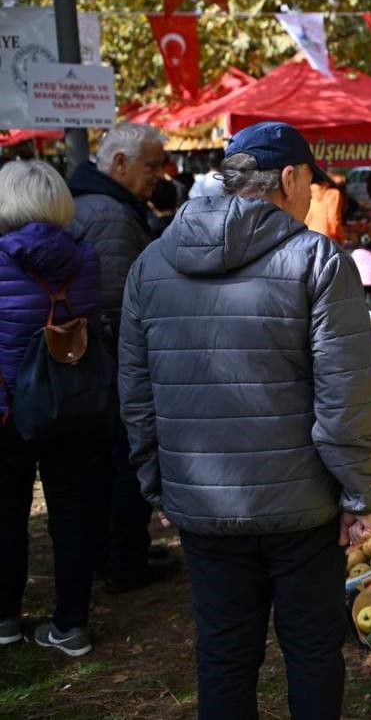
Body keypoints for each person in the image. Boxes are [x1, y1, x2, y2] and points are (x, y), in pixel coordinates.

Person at [117, 121, 371, 720]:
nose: (312, 197)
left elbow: (135, 397)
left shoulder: (151, 264)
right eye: (310, 184)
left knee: (223, 654)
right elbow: (345, 397)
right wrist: (362, 494)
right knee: (313, 650)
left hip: (206, 505)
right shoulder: (317, 259)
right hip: (304, 509)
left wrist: (156, 481)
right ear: (289, 178)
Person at [68, 121, 177, 594]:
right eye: (151, 165)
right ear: (118, 164)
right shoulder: (110, 215)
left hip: (99, 363)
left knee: (105, 465)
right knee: (124, 458)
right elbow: (117, 305)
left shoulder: (94, 203)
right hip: (112, 366)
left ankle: (116, 548)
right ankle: (123, 557)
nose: (157, 175)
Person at [0, 161, 102, 657]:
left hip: (5, 409)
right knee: (72, 513)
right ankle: (71, 624)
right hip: (69, 403)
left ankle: (4, 617)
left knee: (5, 513)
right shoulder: (86, 258)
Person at [305, 172, 348, 242]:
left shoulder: (310, 193)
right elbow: (333, 219)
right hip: (327, 240)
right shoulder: (333, 194)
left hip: (310, 238)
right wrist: (341, 238)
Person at [351, 233, 371, 321]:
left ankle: (360, 313)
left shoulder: (355, 253)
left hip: (360, 278)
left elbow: (351, 264)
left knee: (360, 296)